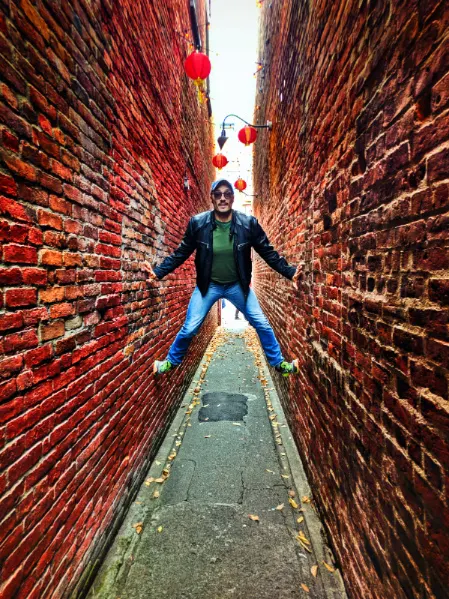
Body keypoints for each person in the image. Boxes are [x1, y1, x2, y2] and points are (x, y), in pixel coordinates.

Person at [142, 179, 302, 377]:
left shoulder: (248, 224)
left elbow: (268, 253)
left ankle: (280, 365)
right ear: (212, 198)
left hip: (237, 286)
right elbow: (180, 253)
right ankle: (170, 363)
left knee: (261, 323)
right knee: (190, 328)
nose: (223, 198)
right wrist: (158, 273)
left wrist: (290, 272)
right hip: (208, 286)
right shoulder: (198, 224)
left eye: (227, 194)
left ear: (233, 198)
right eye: (218, 194)